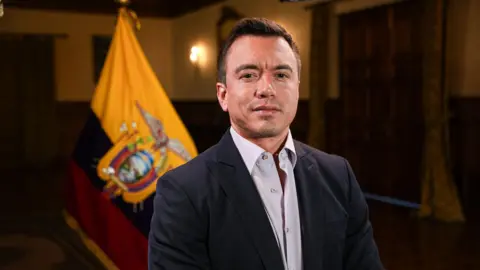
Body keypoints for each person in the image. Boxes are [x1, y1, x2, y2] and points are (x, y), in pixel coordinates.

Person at [148, 17, 383, 270]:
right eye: (249, 75)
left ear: (297, 88)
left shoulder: (339, 176)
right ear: (223, 95)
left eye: (281, 75)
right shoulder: (183, 191)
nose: (266, 89)